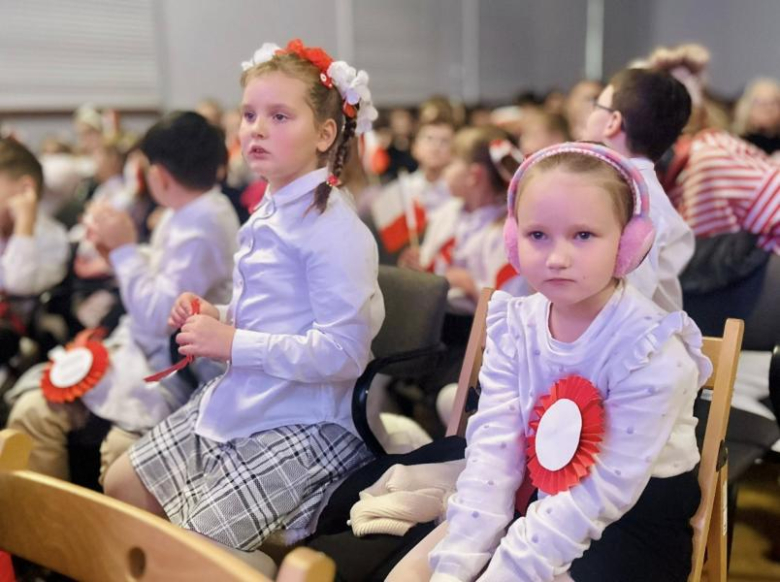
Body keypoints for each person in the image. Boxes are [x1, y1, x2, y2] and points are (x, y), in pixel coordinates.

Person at [104, 39, 385, 553]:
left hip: (307, 418)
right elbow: (275, 312)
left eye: (279, 116)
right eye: (249, 114)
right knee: (121, 487)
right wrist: (220, 314)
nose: (256, 128)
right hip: (252, 393)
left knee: (189, 551)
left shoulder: (334, 230)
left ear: (325, 134)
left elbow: (344, 353)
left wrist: (232, 342)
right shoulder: (273, 207)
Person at [426, 143, 711, 581]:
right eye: (538, 235)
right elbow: (494, 453)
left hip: (632, 515)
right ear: (513, 239)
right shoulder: (514, 326)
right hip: (536, 489)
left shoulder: (652, 351)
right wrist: (457, 563)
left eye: (583, 235)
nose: (557, 258)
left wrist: (505, 572)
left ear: (628, 243)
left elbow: (601, 494)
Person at [6, 111, 239, 483]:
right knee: (34, 410)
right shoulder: (192, 210)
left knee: (118, 450)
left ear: (157, 174)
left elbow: (158, 316)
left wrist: (123, 249)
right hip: (140, 350)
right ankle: (46, 531)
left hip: (173, 369)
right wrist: (121, 252)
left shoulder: (202, 222)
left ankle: (74, 534)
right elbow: (163, 278)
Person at [582, 67, 694, 312]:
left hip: (639, 343)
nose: (588, 116)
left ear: (613, 122)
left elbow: (628, 297)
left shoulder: (634, 198)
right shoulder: (634, 189)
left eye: (595, 107)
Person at [399, 126, 526, 312]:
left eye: (451, 164)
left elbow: (511, 305)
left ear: (474, 176)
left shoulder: (504, 230)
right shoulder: (448, 212)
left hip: (476, 332)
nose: (444, 171)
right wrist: (420, 268)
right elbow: (431, 267)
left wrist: (470, 286)